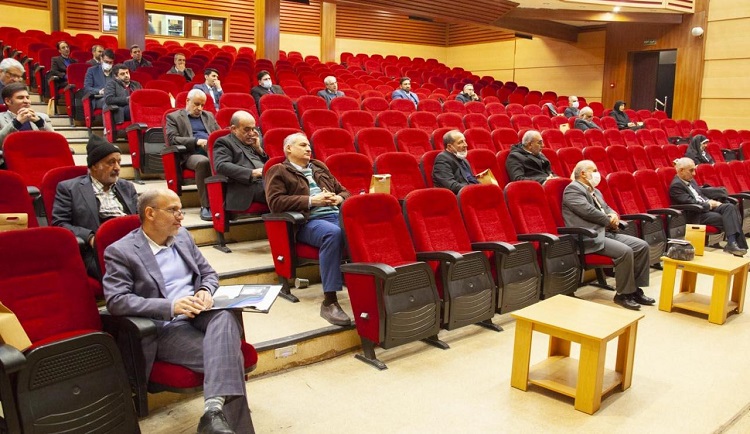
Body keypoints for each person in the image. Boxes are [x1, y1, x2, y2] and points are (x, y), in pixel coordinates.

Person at [102, 189, 254, 434]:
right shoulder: (121, 251)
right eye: (173, 210)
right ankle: (219, 418)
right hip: (165, 327)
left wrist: (204, 290)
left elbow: (209, 274)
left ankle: (212, 414)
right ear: (150, 213)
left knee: (224, 317)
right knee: (228, 356)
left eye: (181, 210)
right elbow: (116, 301)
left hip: (200, 313)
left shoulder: (182, 236)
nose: (181, 216)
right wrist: (170, 306)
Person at [265, 133, 352, 326]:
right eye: (303, 145)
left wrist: (338, 198)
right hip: (308, 221)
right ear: (288, 149)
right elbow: (275, 203)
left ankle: (370, 286)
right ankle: (329, 301)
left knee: (364, 230)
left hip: (336, 215)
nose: (308, 149)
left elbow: (345, 191)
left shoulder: (319, 167)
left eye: (309, 146)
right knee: (333, 233)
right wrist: (312, 201)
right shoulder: (278, 170)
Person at [563, 160, 653, 310]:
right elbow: (588, 211)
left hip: (605, 233)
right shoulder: (572, 190)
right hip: (589, 237)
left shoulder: (595, 191)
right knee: (625, 251)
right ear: (583, 173)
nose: (598, 174)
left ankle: (635, 290)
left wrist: (614, 215)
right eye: (594, 170)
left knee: (642, 246)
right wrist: (608, 220)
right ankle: (623, 295)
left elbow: (607, 208)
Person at [52, 135, 137, 278]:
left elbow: (139, 218)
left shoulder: (127, 187)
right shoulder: (69, 188)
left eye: (119, 162)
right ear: (94, 166)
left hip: (132, 244)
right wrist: (90, 237)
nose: (117, 168)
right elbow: (59, 223)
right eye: (111, 162)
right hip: (98, 251)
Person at [670, 158, 747, 256]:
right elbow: (691, 202)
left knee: (730, 207)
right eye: (691, 170)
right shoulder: (676, 186)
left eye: (694, 170)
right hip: (696, 213)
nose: (694, 174)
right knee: (728, 217)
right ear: (681, 170)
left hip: (706, 207)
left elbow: (700, 195)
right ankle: (736, 245)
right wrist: (710, 204)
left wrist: (711, 201)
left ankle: (732, 243)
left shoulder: (690, 180)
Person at [165, 89, 220, 221]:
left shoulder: (208, 116)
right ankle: (206, 206)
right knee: (203, 162)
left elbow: (219, 133)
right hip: (190, 154)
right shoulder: (174, 117)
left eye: (202, 105)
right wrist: (197, 141)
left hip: (211, 151)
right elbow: (173, 139)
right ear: (187, 101)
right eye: (196, 104)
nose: (199, 108)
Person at [214, 111, 268, 213]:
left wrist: (258, 149)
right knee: (280, 190)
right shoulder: (224, 142)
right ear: (234, 129)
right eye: (247, 129)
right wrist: (252, 173)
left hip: (265, 181)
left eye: (253, 129)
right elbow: (221, 165)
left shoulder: (253, 143)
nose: (251, 133)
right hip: (246, 186)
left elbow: (267, 164)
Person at [432, 129, 478, 194]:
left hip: (469, 192)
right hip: (456, 196)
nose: (465, 145)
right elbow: (451, 185)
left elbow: (471, 179)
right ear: (450, 147)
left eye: (465, 141)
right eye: (460, 142)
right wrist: (473, 188)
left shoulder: (464, 160)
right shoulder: (442, 158)